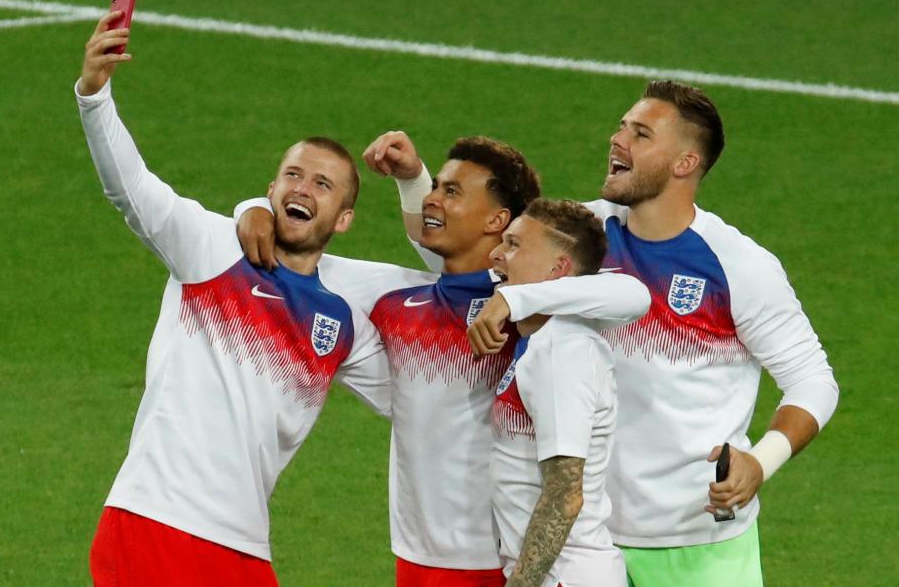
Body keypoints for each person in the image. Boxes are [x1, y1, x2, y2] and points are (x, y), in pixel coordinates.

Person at [467, 80, 840, 586]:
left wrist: (762, 460)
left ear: (684, 164)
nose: (618, 140)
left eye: (641, 134)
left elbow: (813, 380)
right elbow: (480, 259)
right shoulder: (582, 239)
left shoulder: (738, 266)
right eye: (622, 127)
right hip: (587, 543)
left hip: (698, 544)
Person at [235, 132, 650, 586]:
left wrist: (516, 302)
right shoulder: (398, 294)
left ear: (499, 220)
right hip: (414, 556)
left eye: (450, 191)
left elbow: (629, 292)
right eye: (435, 187)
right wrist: (254, 206)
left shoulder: (527, 304)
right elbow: (292, 250)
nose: (433, 199)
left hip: (499, 560)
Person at [77, 11, 395, 587]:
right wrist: (95, 96)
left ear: (343, 219)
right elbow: (131, 188)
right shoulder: (210, 249)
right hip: (156, 519)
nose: (302, 188)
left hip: (242, 544)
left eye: (322, 185)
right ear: (271, 188)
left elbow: (421, 398)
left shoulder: (342, 316)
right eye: (292, 175)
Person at [488, 198, 626, 587]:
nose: (496, 254)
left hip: (564, 576)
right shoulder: (537, 342)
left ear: (557, 270)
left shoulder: (560, 351)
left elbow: (565, 496)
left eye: (514, 245)